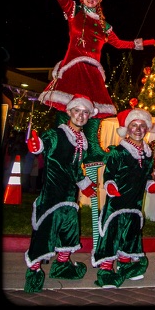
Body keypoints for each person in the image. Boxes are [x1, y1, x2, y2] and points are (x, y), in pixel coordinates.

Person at [38, 0, 155, 163]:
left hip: (93, 73)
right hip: (73, 68)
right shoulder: (74, 10)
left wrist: (142, 43)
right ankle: (58, 145)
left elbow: (119, 44)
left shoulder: (104, 25)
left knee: (94, 114)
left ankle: (92, 148)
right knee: (66, 110)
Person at [23, 94, 99, 293]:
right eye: (77, 111)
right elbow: (43, 144)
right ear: (69, 112)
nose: (81, 116)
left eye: (85, 113)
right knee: (45, 233)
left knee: (68, 231)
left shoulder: (82, 139)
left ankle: (62, 266)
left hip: (69, 196)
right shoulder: (56, 134)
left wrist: (83, 183)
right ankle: (34, 270)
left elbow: (74, 167)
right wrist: (36, 145)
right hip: (52, 196)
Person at [91, 108, 155, 288]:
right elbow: (108, 175)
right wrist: (110, 185)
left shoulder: (147, 154)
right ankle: (106, 267)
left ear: (147, 129)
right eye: (134, 125)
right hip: (117, 204)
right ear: (127, 129)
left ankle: (125, 263)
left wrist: (149, 184)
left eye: (142, 126)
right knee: (111, 234)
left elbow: (146, 175)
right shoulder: (118, 152)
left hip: (135, 205)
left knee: (130, 234)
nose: (138, 129)